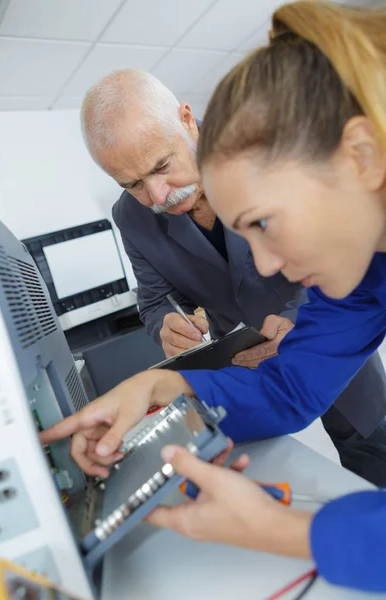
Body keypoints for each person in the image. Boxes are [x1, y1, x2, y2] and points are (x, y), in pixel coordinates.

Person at [41, 0, 386, 589]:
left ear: (362, 157)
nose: (271, 264)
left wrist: (283, 532)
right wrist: (159, 384)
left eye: (264, 223)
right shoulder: (358, 283)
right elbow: (292, 389)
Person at [80, 69, 386, 484]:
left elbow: (347, 264)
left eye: (163, 166)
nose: (156, 196)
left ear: (186, 119)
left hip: (331, 343)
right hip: (251, 371)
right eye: (133, 184)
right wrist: (162, 365)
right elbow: (155, 303)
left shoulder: (267, 149)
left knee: (373, 449)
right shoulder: (131, 217)